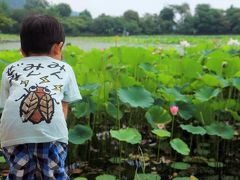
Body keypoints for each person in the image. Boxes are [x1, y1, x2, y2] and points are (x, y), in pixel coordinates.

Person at [0, 14, 81, 179]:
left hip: (12, 135)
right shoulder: (65, 68)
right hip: (51, 134)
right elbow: (63, 107)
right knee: (53, 175)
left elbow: (6, 104)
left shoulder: (9, 69)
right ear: (59, 47)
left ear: (22, 51)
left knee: (19, 174)